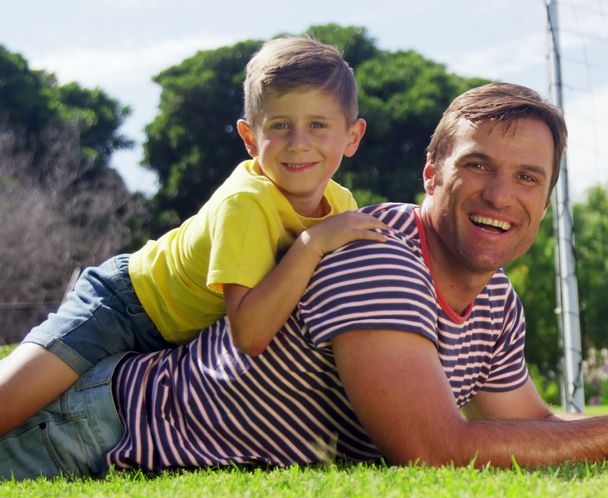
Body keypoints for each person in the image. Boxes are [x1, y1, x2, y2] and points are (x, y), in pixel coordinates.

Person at [0, 82, 608, 480]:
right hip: (91, 433)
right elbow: (434, 449)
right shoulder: (378, 256)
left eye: (527, 178)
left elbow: (533, 426)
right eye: (476, 166)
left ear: (545, 201)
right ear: (431, 176)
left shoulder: (499, 305)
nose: (499, 195)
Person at [0, 36, 388, 436]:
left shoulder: (340, 205)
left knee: (41, 420)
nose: (299, 143)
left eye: (318, 125)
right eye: (280, 126)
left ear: (352, 136)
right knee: (9, 402)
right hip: (122, 307)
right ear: (250, 138)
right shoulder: (247, 203)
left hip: (176, 347)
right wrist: (312, 244)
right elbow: (250, 335)